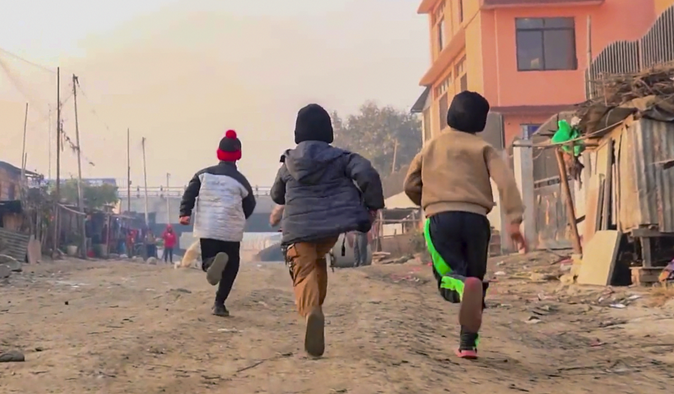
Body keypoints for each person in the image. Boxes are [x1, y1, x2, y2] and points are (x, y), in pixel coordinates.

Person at [403, 91, 526, 360]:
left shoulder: (431, 146)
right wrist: (514, 220)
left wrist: (428, 202)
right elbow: (506, 182)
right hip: (476, 221)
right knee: (475, 277)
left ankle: (460, 285)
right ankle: (468, 344)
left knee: (449, 277)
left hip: (440, 218)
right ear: (480, 123)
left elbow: (410, 184)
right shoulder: (483, 148)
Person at [271, 104, 384, 358]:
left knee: (303, 271)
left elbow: (276, 194)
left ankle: (312, 310)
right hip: (330, 230)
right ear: (328, 132)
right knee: (318, 261)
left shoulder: (288, 163)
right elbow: (366, 173)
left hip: (298, 231)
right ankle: (316, 306)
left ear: (297, 133)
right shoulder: (342, 158)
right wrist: (372, 205)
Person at [178, 130, 257, 317]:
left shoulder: (203, 175)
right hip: (231, 231)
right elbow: (251, 203)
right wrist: (239, 218)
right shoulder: (241, 181)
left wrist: (185, 212)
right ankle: (219, 304)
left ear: (218, 152)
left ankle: (212, 262)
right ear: (238, 156)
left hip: (208, 226)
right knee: (232, 266)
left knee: (207, 259)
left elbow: (190, 192)